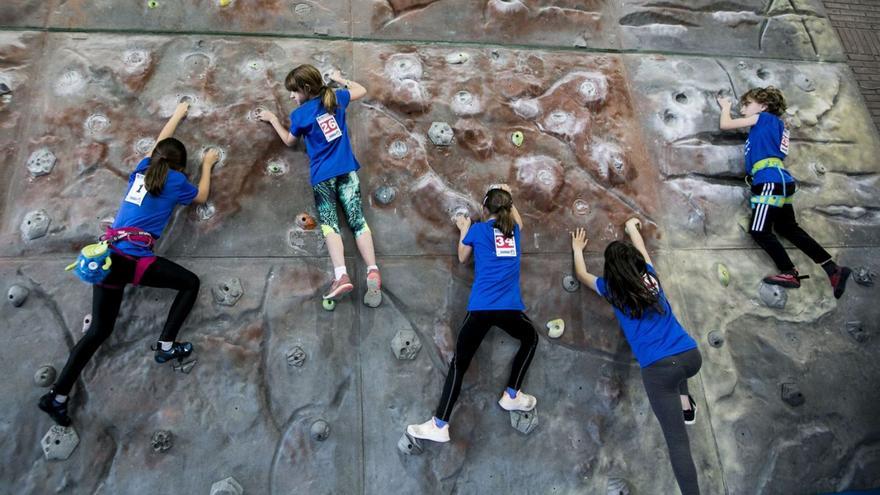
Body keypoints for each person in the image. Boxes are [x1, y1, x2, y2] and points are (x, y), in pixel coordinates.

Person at [38, 102, 218, 426]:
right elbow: (202, 196)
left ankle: (57, 396)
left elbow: (160, 142)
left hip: (109, 257)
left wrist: (177, 114)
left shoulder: (144, 168)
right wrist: (207, 163)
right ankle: (166, 345)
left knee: (98, 331)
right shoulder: (176, 180)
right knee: (190, 283)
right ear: (181, 166)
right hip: (133, 260)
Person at [571, 218, 701, 495]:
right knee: (680, 370)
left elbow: (582, 275)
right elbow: (642, 251)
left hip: (659, 372)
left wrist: (577, 248)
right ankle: (686, 406)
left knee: (678, 444)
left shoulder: (611, 289)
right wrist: (631, 229)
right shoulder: (651, 277)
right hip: (690, 355)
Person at [406, 186, 539, 443]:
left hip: (482, 308)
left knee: (460, 364)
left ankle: (440, 423)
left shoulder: (478, 231)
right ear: (509, 210)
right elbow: (517, 219)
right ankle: (512, 394)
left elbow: (463, 257)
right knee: (531, 338)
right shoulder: (514, 233)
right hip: (509, 308)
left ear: (484, 209)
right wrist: (509, 196)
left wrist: (463, 226)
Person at [258, 64, 381, 307]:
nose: (292, 96)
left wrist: (272, 119)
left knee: (330, 226)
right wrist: (339, 78)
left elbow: (289, 142)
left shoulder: (300, 115)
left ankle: (341, 275)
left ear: (305, 88)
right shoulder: (336, 98)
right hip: (347, 170)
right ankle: (373, 269)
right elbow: (361, 90)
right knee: (358, 222)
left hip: (323, 177)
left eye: (294, 92)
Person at [717, 87, 851, 298]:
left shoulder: (764, 118)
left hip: (769, 179)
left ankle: (789, 272)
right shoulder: (773, 126)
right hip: (780, 180)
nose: (743, 107)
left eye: (747, 103)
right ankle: (833, 270)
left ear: (763, 106)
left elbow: (725, 124)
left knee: (759, 230)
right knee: (787, 228)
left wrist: (725, 107)